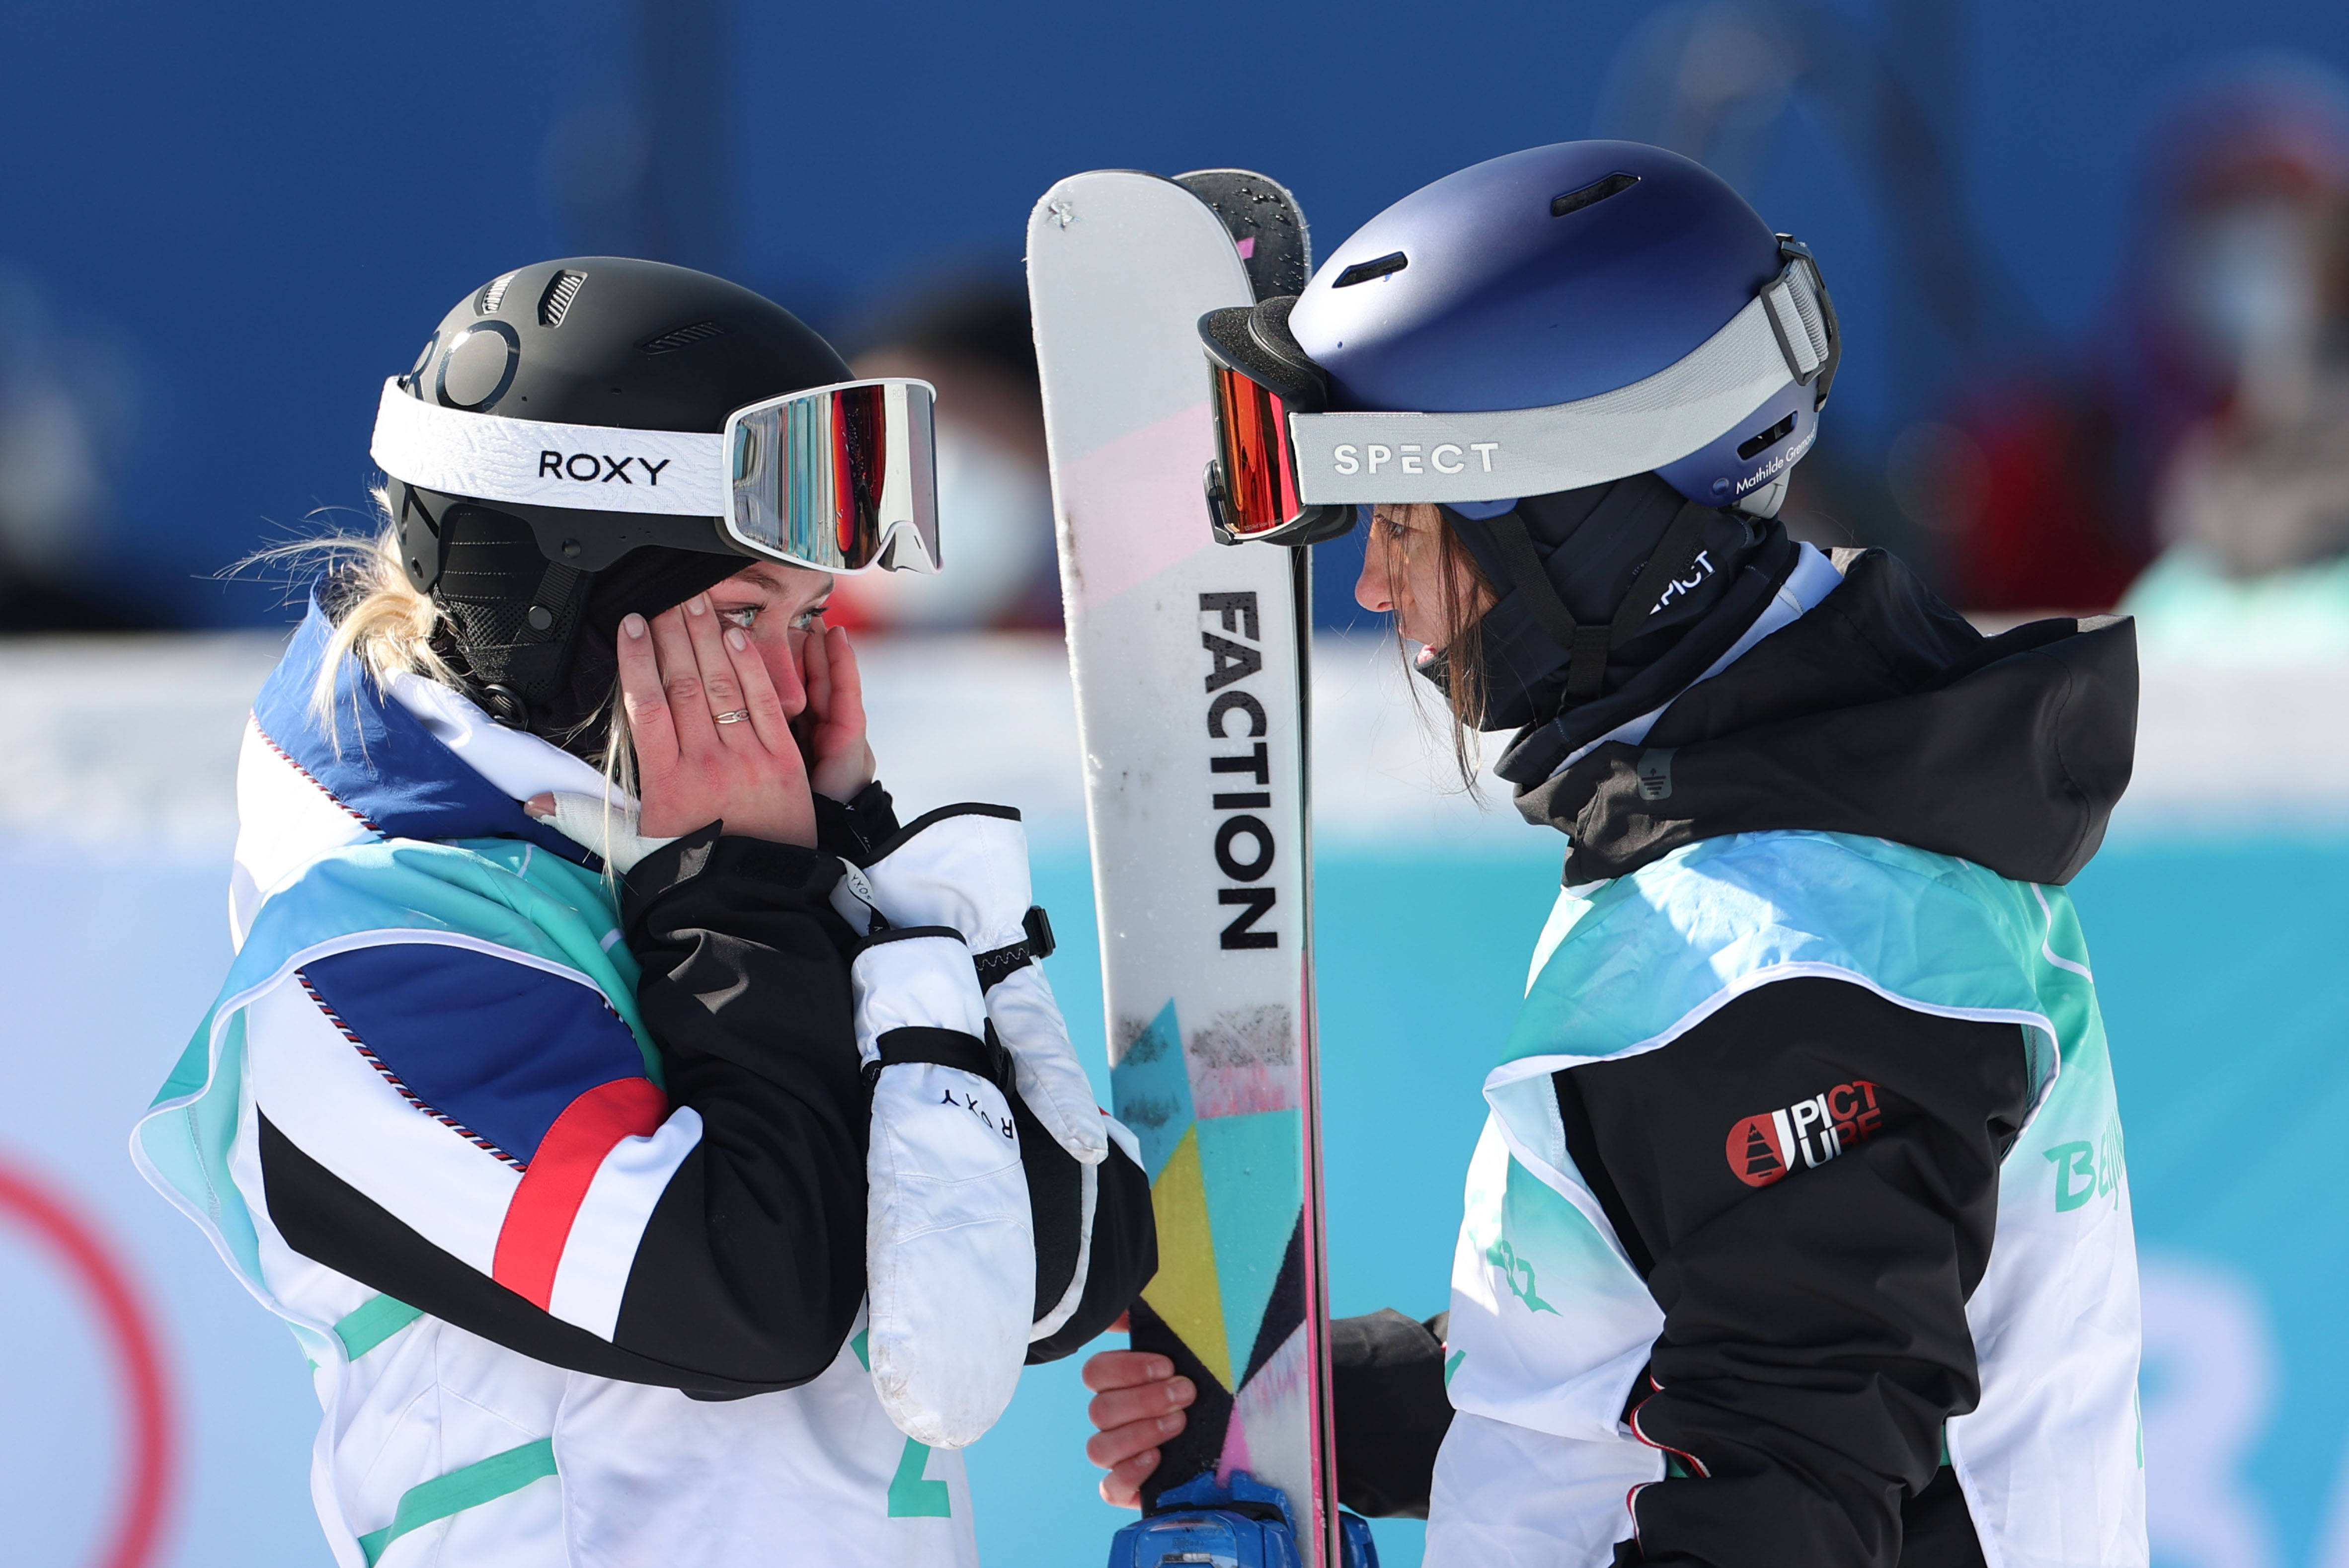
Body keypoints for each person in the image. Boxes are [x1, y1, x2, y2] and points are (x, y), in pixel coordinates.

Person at [1084, 143, 2144, 1567]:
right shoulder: (1795, 827)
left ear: (1577, 530)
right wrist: (1328, 1406)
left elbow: (1789, 1506)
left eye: (1403, 524)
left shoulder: (1781, 951)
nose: (1375, 585)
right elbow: (1677, 1352)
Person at [133, 256, 1153, 1567]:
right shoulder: (362, 964)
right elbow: (753, 1291)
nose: (793, 680)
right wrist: (742, 903)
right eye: (741, 613)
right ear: (564, 607)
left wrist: (872, 881)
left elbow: (1065, 1259)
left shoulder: (738, 868)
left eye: (812, 614)